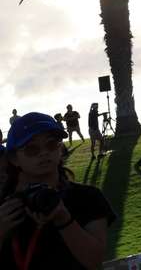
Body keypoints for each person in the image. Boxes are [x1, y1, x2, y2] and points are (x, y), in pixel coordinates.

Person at [0, 112, 115, 269]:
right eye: (32, 149)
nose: (44, 152)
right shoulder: (5, 207)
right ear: (14, 159)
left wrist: (64, 219)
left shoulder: (88, 197)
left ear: (60, 149)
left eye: (51, 144)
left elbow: (94, 262)